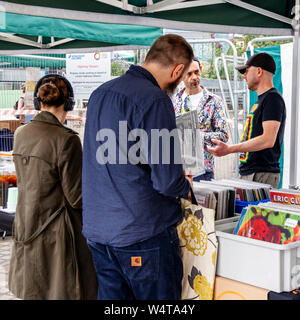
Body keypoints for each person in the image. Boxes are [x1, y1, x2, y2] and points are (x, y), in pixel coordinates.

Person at [82, 34, 194, 300]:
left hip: (100, 231)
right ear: (178, 70)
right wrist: (185, 186)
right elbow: (166, 181)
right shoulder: (155, 100)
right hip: (142, 233)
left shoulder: (100, 93)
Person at [8, 74, 98, 300]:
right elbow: (76, 198)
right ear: (69, 103)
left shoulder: (20, 133)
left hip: (26, 223)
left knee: (34, 289)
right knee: (61, 290)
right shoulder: (66, 139)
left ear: (39, 102)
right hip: (57, 232)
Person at [207, 52, 286, 188]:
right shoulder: (262, 100)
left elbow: (268, 139)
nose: (244, 76)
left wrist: (230, 149)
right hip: (252, 172)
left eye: (246, 71)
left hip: (261, 173)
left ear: (259, 71)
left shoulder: (272, 99)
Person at [172, 57, 229, 181]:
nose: (194, 77)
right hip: (176, 169)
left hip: (203, 170)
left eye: (196, 72)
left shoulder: (214, 101)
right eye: (189, 74)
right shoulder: (173, 100)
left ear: (201, 70)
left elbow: (224, 135)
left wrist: (195, 135)